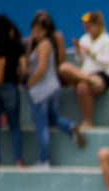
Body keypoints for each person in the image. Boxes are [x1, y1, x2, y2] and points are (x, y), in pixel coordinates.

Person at [24, 11, 84, 167]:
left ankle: (44, 160)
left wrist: (30, 82)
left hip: (42, 91)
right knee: (53, 118)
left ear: (43, 30)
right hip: (53, 88)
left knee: (41, 126)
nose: (33, 33)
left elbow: (41, 68)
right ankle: (70, 126)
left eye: (36, 30)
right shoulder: (41, 44)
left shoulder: (44, 45)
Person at [58, 10, 109, 128]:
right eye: (86, 26)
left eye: (90, 26)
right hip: (86, 75)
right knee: (64, 68)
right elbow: (80, 60)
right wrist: (78, 50)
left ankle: (87, 121)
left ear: (98, 25)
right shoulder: (84, 38)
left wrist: (91, 54)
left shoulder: (107, 39)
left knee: (82, 86)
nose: (87, 29)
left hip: (102, 75)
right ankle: (89, 80)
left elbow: (108, 61)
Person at [0, 14, 26, 168]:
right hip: (10, 86)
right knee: (14, 125)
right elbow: (23, 66)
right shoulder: (16, 44)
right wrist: (22, 79)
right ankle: (19, 160)